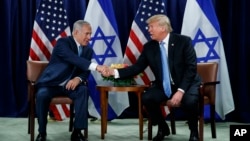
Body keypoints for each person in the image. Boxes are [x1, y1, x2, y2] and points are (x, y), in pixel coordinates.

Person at [102, 14, 201, 141]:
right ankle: (162, 127)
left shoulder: (183, 42)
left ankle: (194, 131)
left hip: (186, 84)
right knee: (147, 98)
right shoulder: (149, 47)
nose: (148, 30)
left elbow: (191, 69)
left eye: (151, 27)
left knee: (190, 101)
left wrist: (180, 91)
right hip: (164, 85)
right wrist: (114, 72)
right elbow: (137, 68)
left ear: (163, 28)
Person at [35, 20, 106, 141]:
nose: (89, 37)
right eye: (87, 34)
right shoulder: (62, 43)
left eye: (90, 34)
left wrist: (78, 79)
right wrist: (97, 67)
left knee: (83, 90)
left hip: (71, 86)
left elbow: (85, 71)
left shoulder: (88, 50)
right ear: (76, 32)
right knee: (41, 95)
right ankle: (42, 133)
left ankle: (77, 132)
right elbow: (73, 58)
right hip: (52, 84)